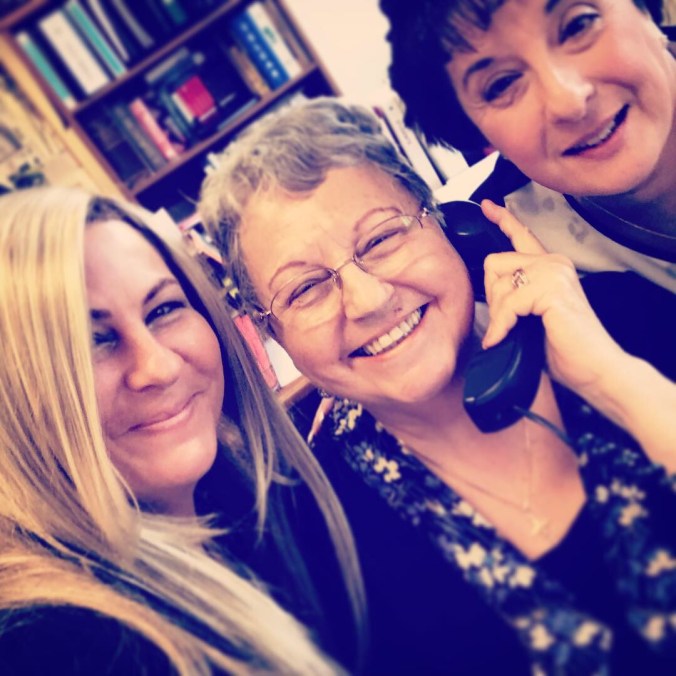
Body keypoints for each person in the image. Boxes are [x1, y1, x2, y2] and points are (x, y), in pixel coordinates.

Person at [199, 97, 676, 674]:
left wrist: (613, 380)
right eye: (305, 290)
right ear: (275, 334)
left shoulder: (616, 319)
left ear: (446, 224)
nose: (368, 300)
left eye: (381, 239)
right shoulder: (312, 542)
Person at [0, 186, 366, 674]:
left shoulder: (259, 509)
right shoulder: (49, 646)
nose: (158, 367)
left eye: (163, 310)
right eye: (92, 341)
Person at [380, 0, 676, 293]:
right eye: (502, 84)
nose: (569, 102)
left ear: (645, 11)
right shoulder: (507, 249)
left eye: (578, 25)